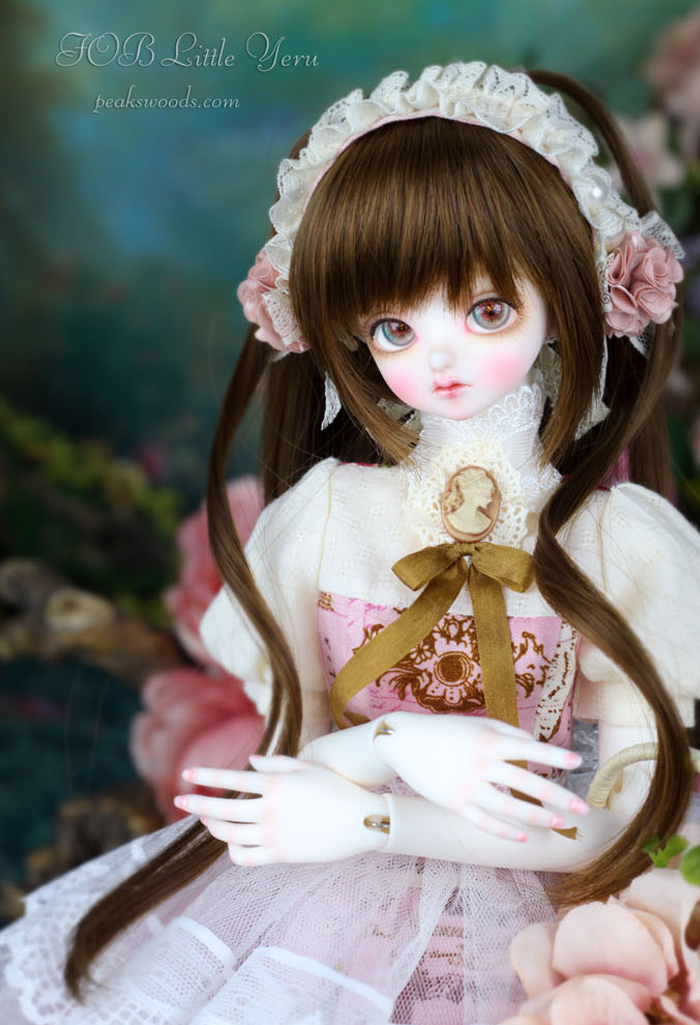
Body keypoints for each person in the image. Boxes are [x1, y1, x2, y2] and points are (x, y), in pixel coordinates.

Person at [0, 61, 697, 1025]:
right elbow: (292, 759)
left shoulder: (616, 541)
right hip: (321, 915)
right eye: (393, 327)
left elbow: (624, 827)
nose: (439, 356)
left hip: (533, 926)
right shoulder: (328, 515)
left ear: (569, 295)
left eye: (488, 310)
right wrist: (388, 742)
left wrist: (378, 811)